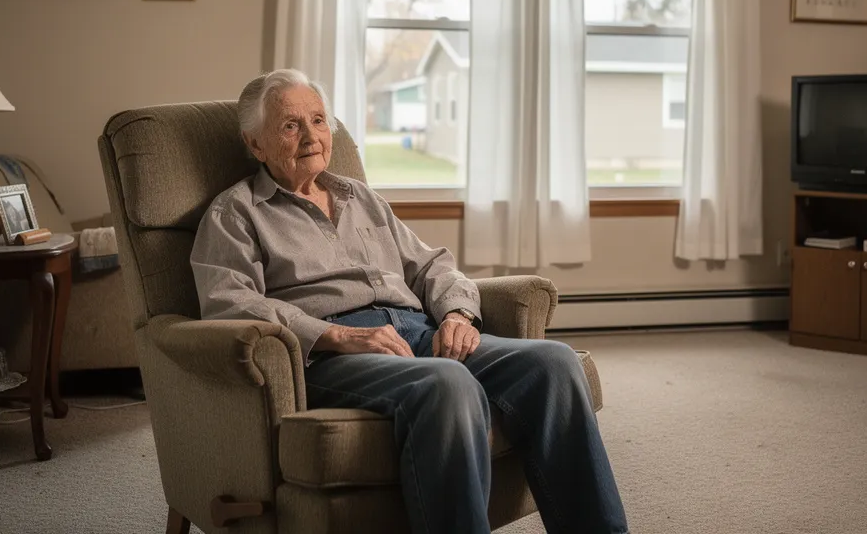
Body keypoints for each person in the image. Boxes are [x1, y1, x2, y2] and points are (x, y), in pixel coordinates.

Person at [190, 69, 628, 534]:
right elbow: (229, 301)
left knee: (555, 363)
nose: (311, 136)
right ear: (255, 144)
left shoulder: (360, 196)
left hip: (417, 332)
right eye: (290, 125)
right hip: (334, 355)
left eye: (318, 120)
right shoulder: (235, 213)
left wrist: (458, 313)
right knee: (448, 383)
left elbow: (431, 265)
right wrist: (336, 334)